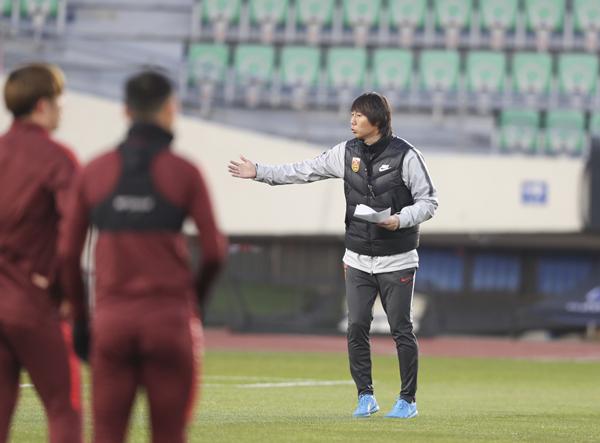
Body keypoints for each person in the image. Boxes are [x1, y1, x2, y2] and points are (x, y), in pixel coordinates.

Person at [229, 92, 438, 419]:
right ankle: (365, 397)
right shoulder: (345, 152)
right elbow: (303, 170)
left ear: (377, 120)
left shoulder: (407, 155)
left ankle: (407, 400)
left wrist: (400, 220)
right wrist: (259, 171)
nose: (352, 120)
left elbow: (429, 202)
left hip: (397, 258)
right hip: (356, 257)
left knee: (401, 329)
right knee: (356, 327)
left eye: (359, 115)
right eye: (351, 114)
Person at [59, 70, 227, 443]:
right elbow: (215, 251)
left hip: (112, 321)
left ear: (126, 111)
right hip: (170, 320)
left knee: (107, 433)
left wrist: (81, 321)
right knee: (169, 434)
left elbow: (67, 254)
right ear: (170, 108)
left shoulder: (95, 170)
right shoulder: (185, 171)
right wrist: (193, 304)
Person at [0, 64, 82, 442]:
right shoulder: (57, 158)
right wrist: (66, 291)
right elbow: (73, 232)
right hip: (32, 300)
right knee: (64, 407)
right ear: (41, 105)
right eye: (59, 100)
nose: (63, 108)